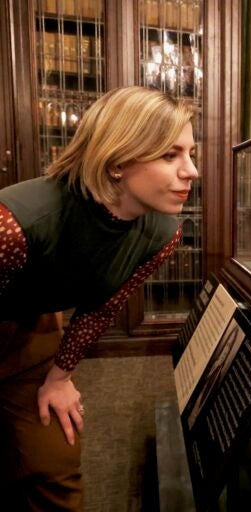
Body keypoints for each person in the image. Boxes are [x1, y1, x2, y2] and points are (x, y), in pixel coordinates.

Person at [0, 85, 198, 510]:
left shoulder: (163, 233)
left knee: (55, 463)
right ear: (116, 162)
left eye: (190, 152)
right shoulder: (14, 224)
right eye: (171, 155)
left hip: (31, 329)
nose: (192, 171)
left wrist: (60, 378)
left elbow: (101, 307)